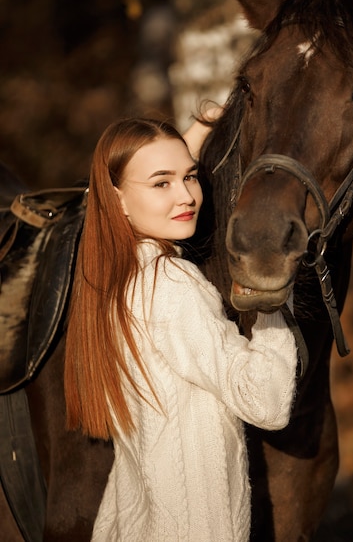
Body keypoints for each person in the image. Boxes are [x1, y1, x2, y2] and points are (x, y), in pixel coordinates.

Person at [64, 116, 298, 542]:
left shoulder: (113, 281)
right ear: (117, 201)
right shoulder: (170, 283)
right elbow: (266, 401)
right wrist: (272, 303)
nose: (187, 195)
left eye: (190, 176)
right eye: (161, 184)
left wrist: (197, 130)